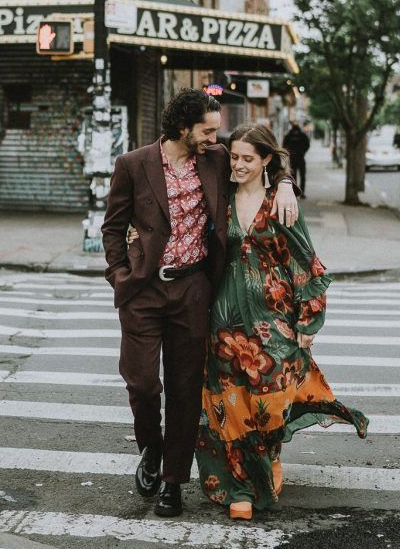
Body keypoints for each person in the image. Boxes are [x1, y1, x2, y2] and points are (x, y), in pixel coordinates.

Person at [101, 89, 298, 518]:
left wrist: (284, 184)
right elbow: (112, 227)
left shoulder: (214, 158)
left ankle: (173, 482)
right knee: (140, 381)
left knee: (186, 388)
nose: (216, 137)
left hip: (193, 290)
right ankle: (151, 448)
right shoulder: (132, 165)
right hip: (144, 290)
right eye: (208, 130)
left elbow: (263, 158)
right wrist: (119, 274)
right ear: (182, 128)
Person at [196, 123, 368, 520]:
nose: (238, 165)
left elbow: (309, 266)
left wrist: (307, 326)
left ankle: (270, 456)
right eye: (234, 157)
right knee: (230, 403)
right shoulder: (220, 198)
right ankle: (241, 485)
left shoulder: (282, 203)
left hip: (273, 322)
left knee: (269, 403)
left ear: (266, 160)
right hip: (223, 320)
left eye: (247, 159)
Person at [283, 120, 310, 198]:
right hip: (301, 158)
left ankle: (294, 192)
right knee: (302, 176)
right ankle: (302, 193)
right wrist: (303, 151)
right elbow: (307, 145)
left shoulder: (288, 135)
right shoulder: (302, 135)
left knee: (293, 176)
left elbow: (284, 146)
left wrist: (289, 153)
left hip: (292, 159)